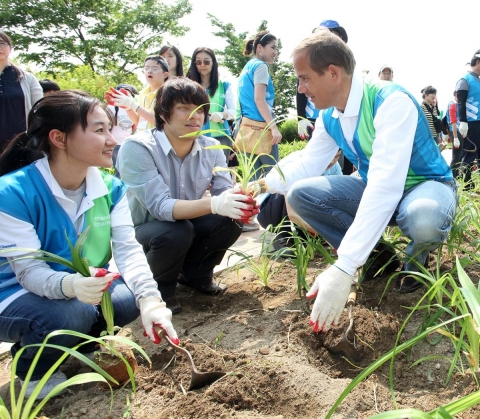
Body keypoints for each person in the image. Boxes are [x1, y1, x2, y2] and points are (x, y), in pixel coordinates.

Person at [255, 31, 456, 332]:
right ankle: (378, 258)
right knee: (300, 195)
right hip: (375, 185)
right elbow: (308, 163)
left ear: (333, 72)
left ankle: (416, 262)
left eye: (305, 78)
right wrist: (259, 188)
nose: (300, 88)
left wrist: (345, 266)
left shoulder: (390, 101)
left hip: (424, 185)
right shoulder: (329, 117)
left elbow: (386, 185)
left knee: (424, 217)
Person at [0, 91, 178, 400]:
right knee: (70, 315)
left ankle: (82, 346)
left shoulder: (109, 189)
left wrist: (151, 301)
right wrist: (72, 286)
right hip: (14, 293)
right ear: (59, 138)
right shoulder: (13, 193)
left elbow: (128, 250)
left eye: (110, 129)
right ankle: (34, 371)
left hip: (78, 287)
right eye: (99, 130)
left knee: (124, 299)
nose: (112, 139)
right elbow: (29, 272)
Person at [117, 78, 255, 315]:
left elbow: (223, 194)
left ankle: (195, 276)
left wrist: (241, 203)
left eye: (201, 110)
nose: (195, 116)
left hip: (183, 225)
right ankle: (159, 290)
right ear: (163, 113)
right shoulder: (138, 148)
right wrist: (216, 203)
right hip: (145, 232)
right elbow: (161, 208)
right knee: (175, 231)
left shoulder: (211, 148)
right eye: (184, 108)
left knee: (229, 220)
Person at [236, 31, 281, 231]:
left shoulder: (247, 67)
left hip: (245, 128)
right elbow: (259, 99)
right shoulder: (260, 66)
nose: (276, 52)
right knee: (276, 176)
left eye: (277, 48)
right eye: (273, 47)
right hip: (261, 129)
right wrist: (274, 127)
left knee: (251, 178)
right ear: (260, 48)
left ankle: (245, 219)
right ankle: (277, 219)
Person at [297, 20, 349, 142]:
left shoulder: (346, 64)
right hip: (314, 117)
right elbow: (300, 92)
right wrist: (301, 118)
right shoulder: (307, 62)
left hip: (340, 117)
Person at [186, 47, 236, 163]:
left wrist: (222, 114)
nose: (202, 65)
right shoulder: (187, 85)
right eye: (198, 62)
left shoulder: (224, 85)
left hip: (220, 138)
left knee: (220, 175)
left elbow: (234, 112)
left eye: (207, 61)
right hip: (193, 136)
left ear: (213, 63)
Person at [0, 31, 43, 152]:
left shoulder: (27, 78)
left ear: (10, 48)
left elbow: (40, 109)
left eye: (2, 43)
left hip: (19, 144)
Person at [106, 56, 169, 133]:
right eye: (146, 68)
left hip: (158, 140)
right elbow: (138, 122)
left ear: (165, 74)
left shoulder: (167, 93)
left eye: (154, 69)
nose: (149, 71)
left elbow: (160, 122)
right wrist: (128, 108)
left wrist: (132, 104)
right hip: (142, 139)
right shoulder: (142, 94)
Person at [456, 50, 480, 190]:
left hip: (479, 122)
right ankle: (466, 186)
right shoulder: (465, 80)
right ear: (478, 62)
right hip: (471, 125)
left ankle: (474, 185)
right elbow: (461, 102)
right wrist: (463, 121)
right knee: (469, 155)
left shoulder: (478, 79)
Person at [107, 83, 138, 178]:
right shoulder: (111, 108)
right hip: (116, 145)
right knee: (120, 172)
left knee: (129, 172)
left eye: (126, 94)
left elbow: (136, 124)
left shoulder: (134, 109)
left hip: (129, 144)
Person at [446, 91, 462, 178]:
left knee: (459, 155)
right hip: (455, 132)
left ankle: (456, 176)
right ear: (455, 95)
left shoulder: (456, 104)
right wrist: (455, 137)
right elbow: (453, 122)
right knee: (456, 156)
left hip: (457, 132)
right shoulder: (453, 105)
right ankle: (452, 176)